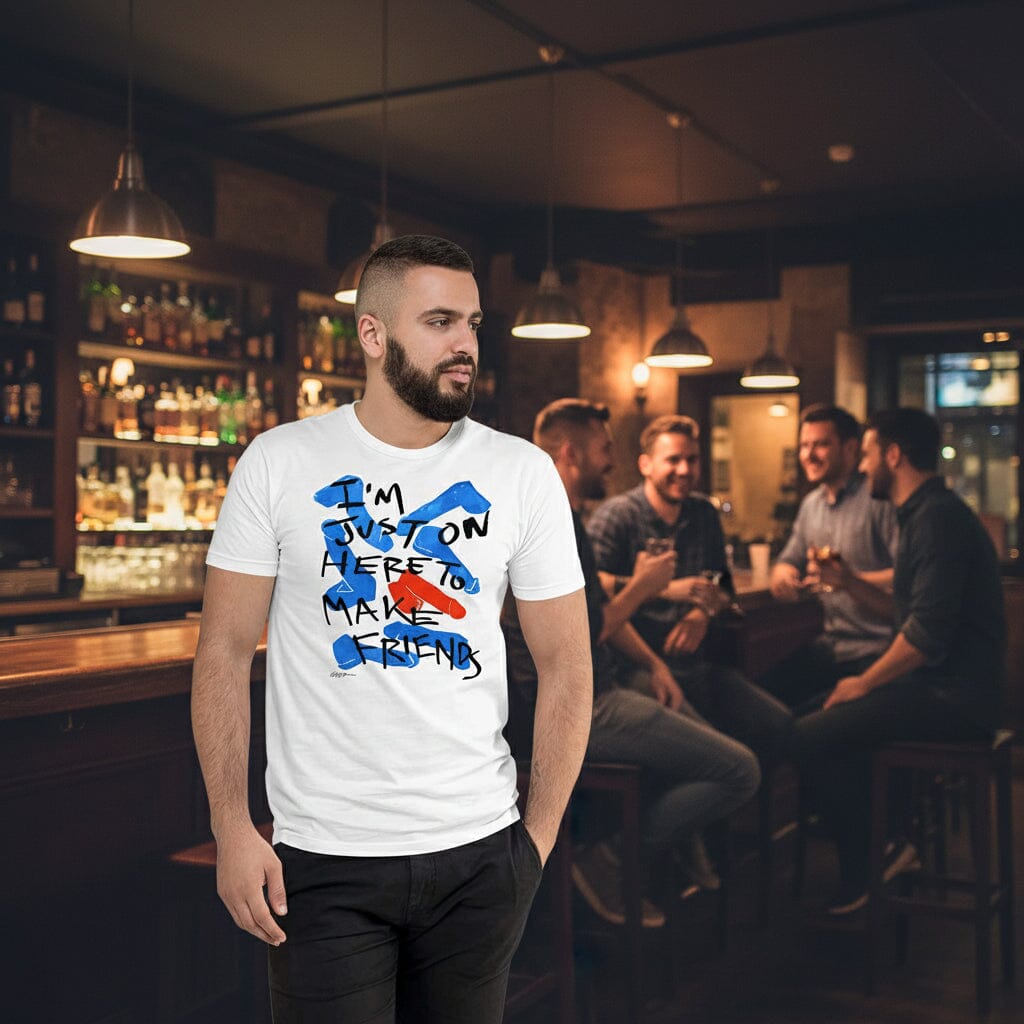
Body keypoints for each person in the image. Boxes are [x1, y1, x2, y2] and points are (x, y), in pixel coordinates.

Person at [191, 235, 593, 1023]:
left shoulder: (522, 472)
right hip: (323, 859)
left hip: (482, 854)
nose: (465, 345)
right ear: (372, 335)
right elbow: (224, 651)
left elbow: (569, 666)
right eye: (440, 321)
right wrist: (230, 826)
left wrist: (534, 844)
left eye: (473, 323)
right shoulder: (278, 462)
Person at [506, 398, 762, 928]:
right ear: (570, 453)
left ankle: (678, 842)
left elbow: (595, 614)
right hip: (577, 707)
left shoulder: (557, 512)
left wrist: (654, 662)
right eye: (604, 449)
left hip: (600, 685)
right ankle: (610, 861)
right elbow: (580, 634)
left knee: (689, 715)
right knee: (739, 770)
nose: (612, 461)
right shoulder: (545, 519)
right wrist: (645, 589)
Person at [790, 407, 1006, 915]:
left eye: (866, 455)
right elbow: (908, 613)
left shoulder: (935, 520)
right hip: (949, 690)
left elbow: (927, 637)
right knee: (826, 715)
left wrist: (864, 682)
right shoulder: (928, 513)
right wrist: (849, 584)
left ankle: (872, 862)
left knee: (808, 732)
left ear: (893, 455)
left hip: (957, 700)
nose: (863, 469)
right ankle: (888, 843)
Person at [586, 414, 792, 772]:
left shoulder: (703, 513)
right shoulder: (617, 516)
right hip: (637, 666)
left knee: (777, 724)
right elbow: (593, 584)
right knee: (718, 753)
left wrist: (702, 613)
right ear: (646, 465)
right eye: (673, 460)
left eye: (692, 460)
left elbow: (723, 583)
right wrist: (665, 590)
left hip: (697, 662)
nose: (684, 469)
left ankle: (743, 824)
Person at [766, 404, 899, 710]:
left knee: (803, 719)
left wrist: (849, 580)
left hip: (878, 651)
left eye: (821, 445)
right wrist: (784, 575)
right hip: (831, 646)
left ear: (851, 448)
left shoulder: (878, 499)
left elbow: (907, 575)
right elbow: (788, 559)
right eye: (804, 445)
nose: (809, 455)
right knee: (762, 703)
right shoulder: (812, 505)